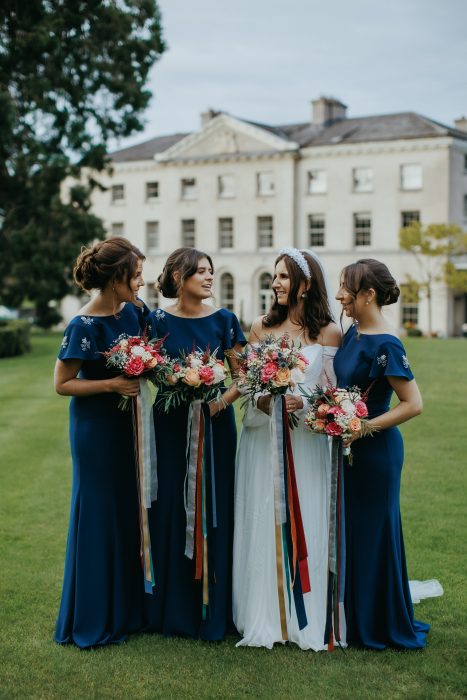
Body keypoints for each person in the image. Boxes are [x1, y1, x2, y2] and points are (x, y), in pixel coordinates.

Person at [233, 247, 344, 650]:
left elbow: (336, 395)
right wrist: (266, 401)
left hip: (306, 443)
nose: (275, 283)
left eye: (283, 276)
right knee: (263, 516)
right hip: (264, 439)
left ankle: (306, 617)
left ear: (306, 285)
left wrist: (307, 403)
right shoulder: (261, 327)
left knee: (307, 516)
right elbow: (246, 383)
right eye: (274, 277)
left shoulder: (330, 333)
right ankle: (265, 612)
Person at [144, 247, 246, 640]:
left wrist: (220, 400)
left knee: (213, 506)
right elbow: (150, 369)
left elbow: (244, 374)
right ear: (179, 277)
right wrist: (173, 380)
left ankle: (211, 607)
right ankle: (168, 607)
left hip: (214, 424)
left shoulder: (225, 320)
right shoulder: (154, 320)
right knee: (169, 503)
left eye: (211, 271)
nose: (208, 278)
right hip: (169, 426)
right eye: (200, 272)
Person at [54, 237, 149, 648]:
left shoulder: (136, 313)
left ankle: (126, 611)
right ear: (116, 278)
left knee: (127, 511)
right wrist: (112, 383)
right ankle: (92, 616)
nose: (141, 282)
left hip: (128, 424)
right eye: (137, 275)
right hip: (94, 431)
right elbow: (62, 384)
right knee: (97, 514)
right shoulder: (82, 325)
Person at [333, 258, 430, 649]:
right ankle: (353, 618)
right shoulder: (351, 333)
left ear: (368, 294)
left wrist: (364, 427)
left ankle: (379, 622)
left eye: (346, 288)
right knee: (352, 532)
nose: (339, 294)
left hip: (376, 453)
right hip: (347, 444)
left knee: (374, 533)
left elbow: (413, 403)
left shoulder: (386, 343)